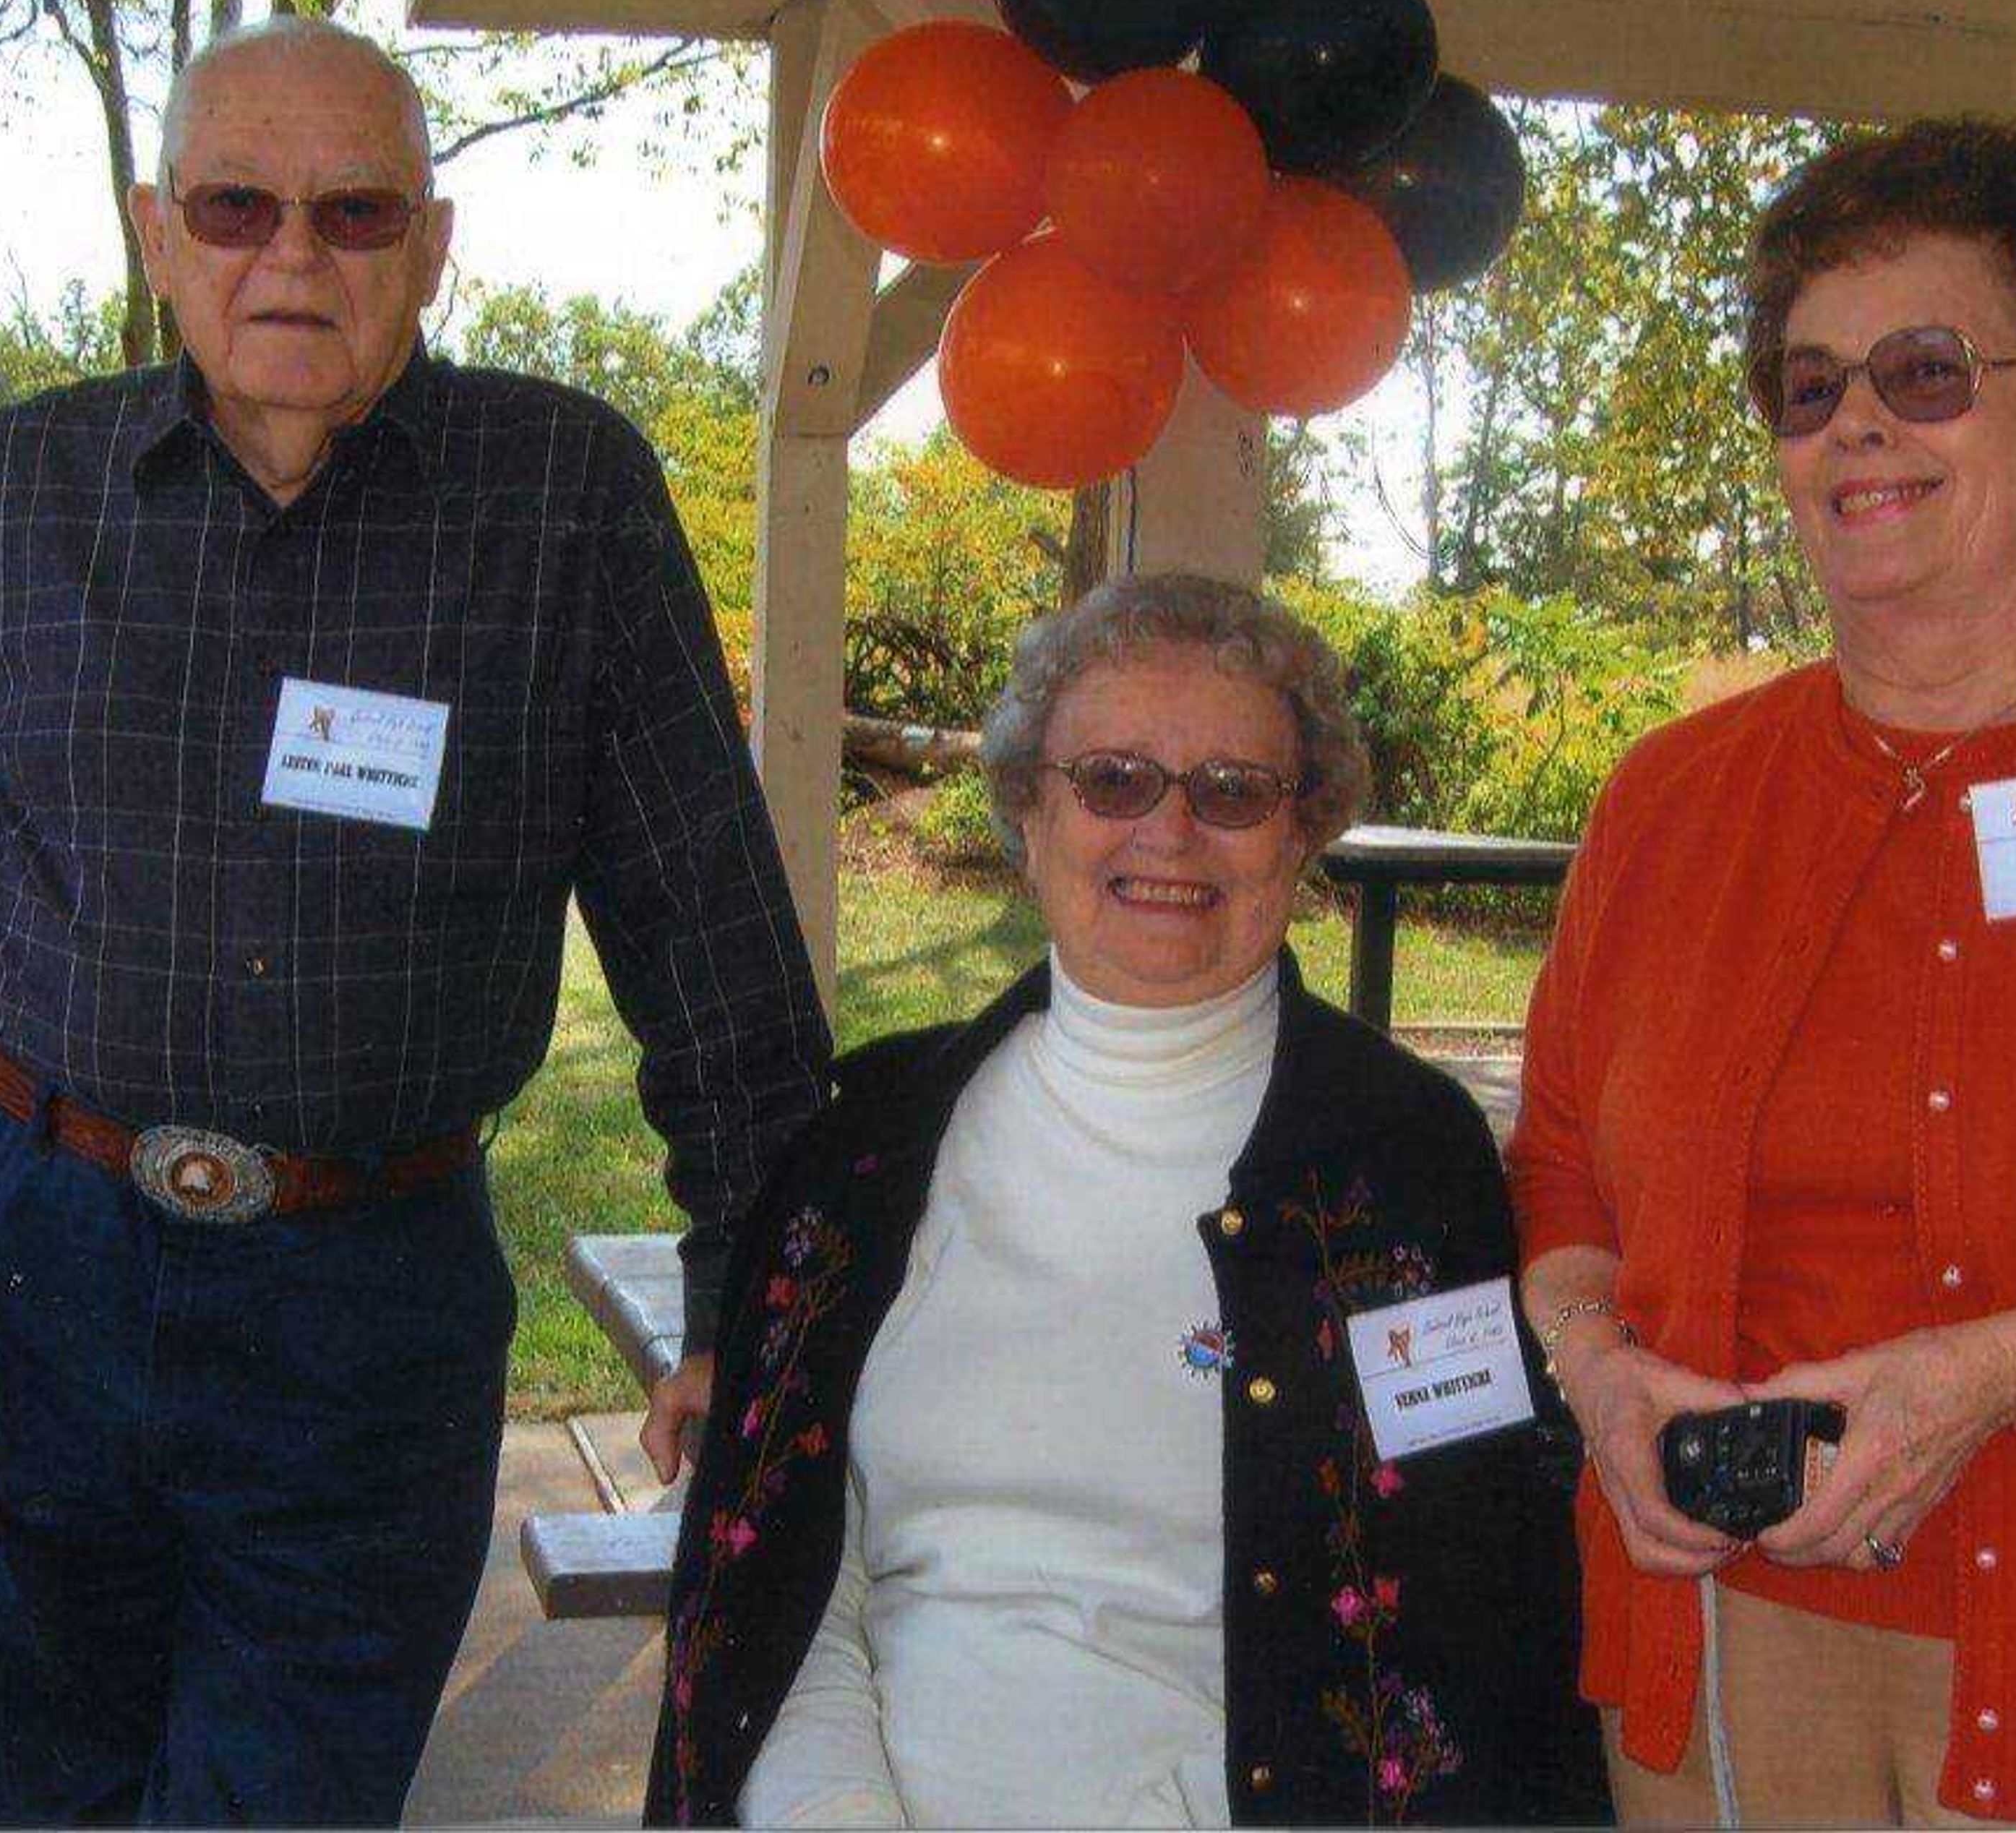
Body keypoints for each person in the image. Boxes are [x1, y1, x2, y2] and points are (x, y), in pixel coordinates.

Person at [0, 17, 829, 1826]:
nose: (293, 257)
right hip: (30, 1257)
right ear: (161, 236)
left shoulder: (563, 502)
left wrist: (745, 1299)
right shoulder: (23, 489)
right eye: (236, 206)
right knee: (27, 1794)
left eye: (356, 209)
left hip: (366, 1300)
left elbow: (704, 928)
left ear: (435, 244)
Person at [1509, 118, 2016, 1826]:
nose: (1856, 423)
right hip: (1720, 1649)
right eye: (1808, 390)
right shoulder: (1672, 798)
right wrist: (1598, 1380)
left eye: (1926, 370)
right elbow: (1566, 1172)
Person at [646, 574, 1605, 1828]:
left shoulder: (1400, 1169)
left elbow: (1460, 1620)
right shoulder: (866, 1152)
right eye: (1112, 780)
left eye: (1233, 793)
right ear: (1029, 815)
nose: (1170, 831)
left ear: (1302, 836)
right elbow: (779, 1585)